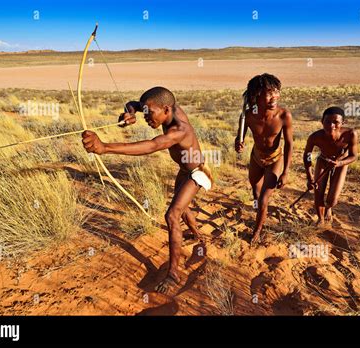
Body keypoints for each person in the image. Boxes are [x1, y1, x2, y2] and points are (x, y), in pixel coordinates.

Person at [82, 86, 212, 294]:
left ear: (166, 110)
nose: (146, 118)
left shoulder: (180, 130)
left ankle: (173, 274)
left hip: (197, 172)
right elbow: (134, 104)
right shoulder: (166, 109)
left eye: (149, 113)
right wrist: (130, 113)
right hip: (185, 168)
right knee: (183, 206)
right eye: (145, 112)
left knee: (172, 214)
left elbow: (151, 146)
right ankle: (197, 235)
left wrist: (104, 147)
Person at [235, 73, 293, 245]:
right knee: (255, 189)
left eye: (276, 91)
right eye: (269, 93)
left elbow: (289, 144)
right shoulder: (248, 115)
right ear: (256, 95)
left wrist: (285, 172)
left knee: (263, 199)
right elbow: (240, 138)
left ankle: (257, 230)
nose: (274, 96)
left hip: (275, 159)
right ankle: (259, 207)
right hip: (256, 156)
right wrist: (238, 143)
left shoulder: (284, 116)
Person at [303, 106, 358, 226]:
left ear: (343, 123)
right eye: (327, 122)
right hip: (323, 160)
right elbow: (307, 156)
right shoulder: (315, 137)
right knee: (318, 192)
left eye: (336, 122)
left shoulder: (350, 134)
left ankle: (328, 208)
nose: (331, 125)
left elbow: (354, 156)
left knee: (332, 200)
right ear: (322, 121)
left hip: (341, 163)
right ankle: (320, 219)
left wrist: (340, 163)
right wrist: (309, 177)